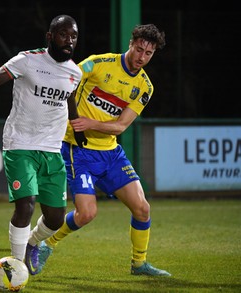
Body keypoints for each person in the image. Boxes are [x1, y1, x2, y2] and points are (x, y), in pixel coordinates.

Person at [37, 24, 171, 276]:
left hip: (111, 153)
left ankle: (139, 264)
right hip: (79, 149)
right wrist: (68, 116)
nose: (142, 57)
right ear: (131, 43)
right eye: (139, 49)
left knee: (142, 209)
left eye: (148, 53)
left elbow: (120, 126)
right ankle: (46, 244)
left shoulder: (145, 87)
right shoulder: (98, 63)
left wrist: (91, 123)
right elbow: (66, 81)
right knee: (87, 213)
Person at [0, 15, 85, 275]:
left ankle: (32, 243)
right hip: (20, 143)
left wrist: (76, 124)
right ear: (49, 36)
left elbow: (69, 98)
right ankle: (16, 267)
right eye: (63, 35)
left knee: (56, 218)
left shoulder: (75, 71)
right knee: (26, 204)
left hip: (52, 148)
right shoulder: (27, 60)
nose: (69, 41)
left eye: (73, 36)